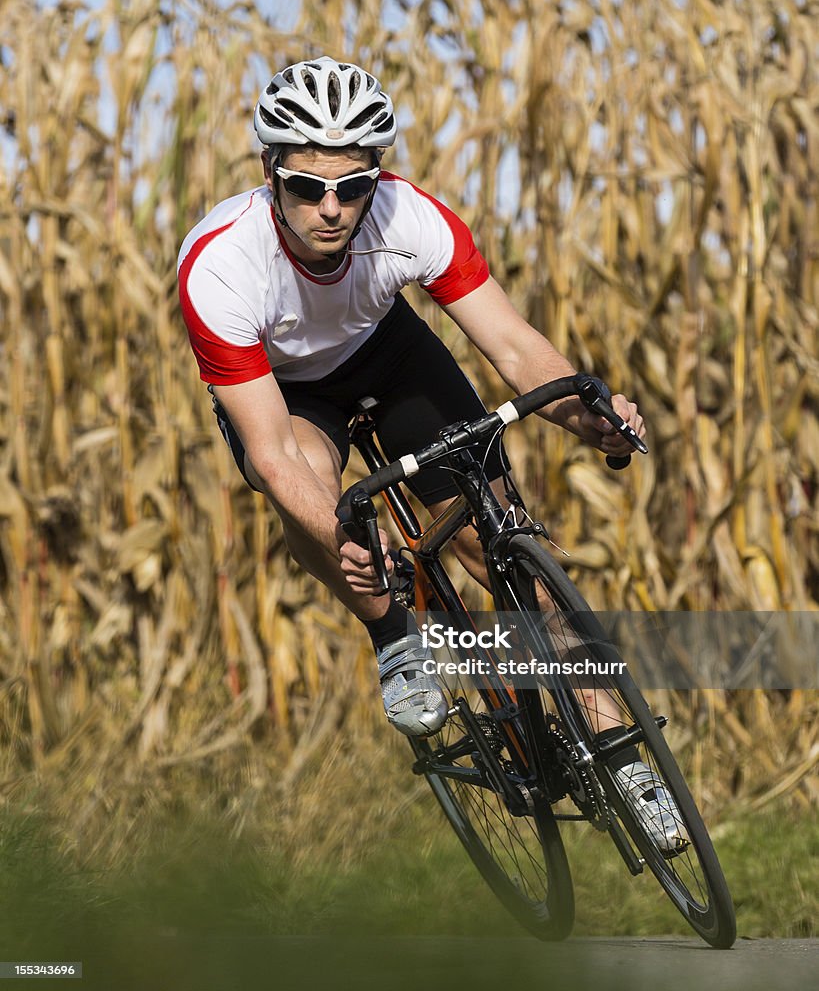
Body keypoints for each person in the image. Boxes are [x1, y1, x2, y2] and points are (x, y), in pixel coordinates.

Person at [178, 56, 686, 855]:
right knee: (317, 503)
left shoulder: (411, 219)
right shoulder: (219, 267)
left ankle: (626, 758)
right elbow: (273, 453)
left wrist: (589, 418)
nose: (333, 208)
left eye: (354, 186)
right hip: (290, 393)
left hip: (390, 357)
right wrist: (345, 532)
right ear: (267, 171)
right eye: (307, 186)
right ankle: (394, 638)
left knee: (501, 540)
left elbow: (516, 351)